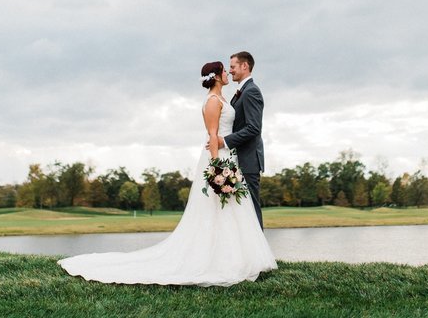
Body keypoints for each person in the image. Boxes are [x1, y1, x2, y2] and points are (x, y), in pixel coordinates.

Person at [57, 59, 276, 287]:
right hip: (219, 159)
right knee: (218, 209)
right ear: (217, 76)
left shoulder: (224, 97)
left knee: (232, 210)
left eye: (231, 68)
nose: (228, 72)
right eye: (225, 70)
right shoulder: (212, 101)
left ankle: (240, 258)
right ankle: (219, 260)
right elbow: (212, 136)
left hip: (229, 156)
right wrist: (217, 169)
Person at [216, 51, 265, 229]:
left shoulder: (251, 91)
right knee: (244, 209)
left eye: (233, 67)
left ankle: (261, 255)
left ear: (245, 66)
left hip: (249, 160)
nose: (230, 71)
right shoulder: (242, 91)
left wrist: (225, 141)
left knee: (252, 207)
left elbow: (253, 128)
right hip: (240, 158)